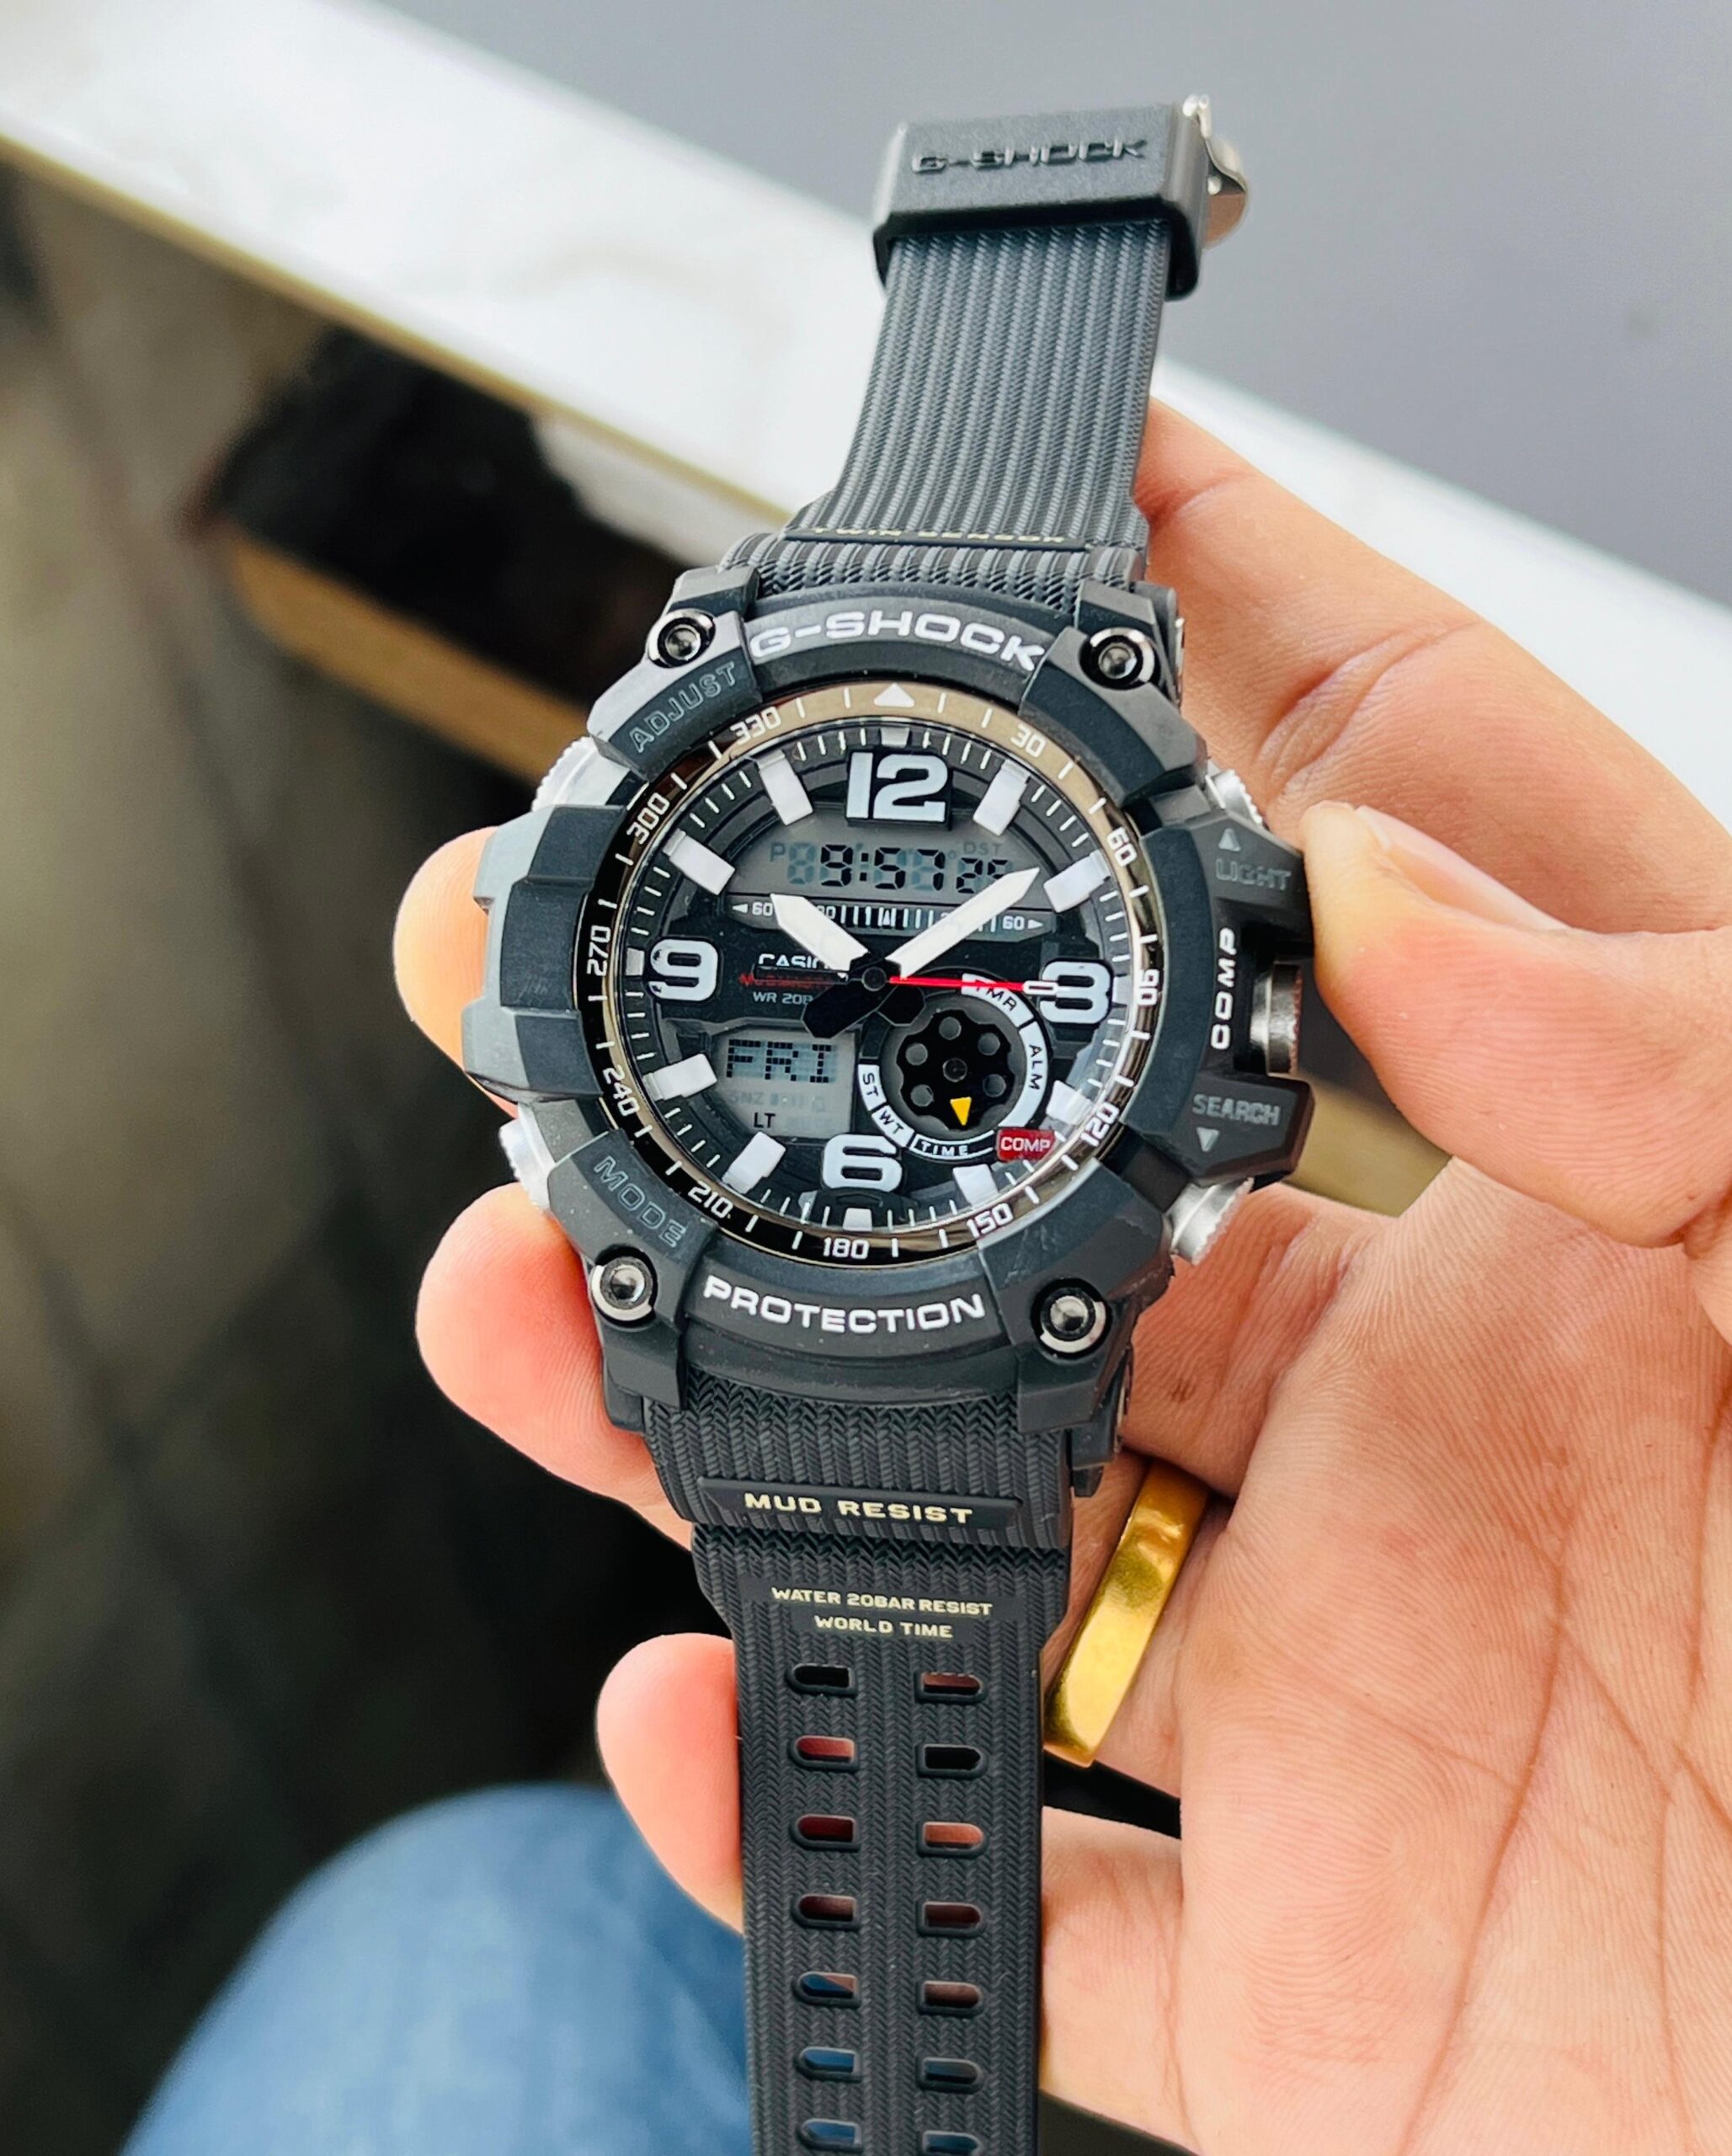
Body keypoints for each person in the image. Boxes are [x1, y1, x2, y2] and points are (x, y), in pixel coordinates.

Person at [127, 408, 1732, 2155]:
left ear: (1239, 1009)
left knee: (462, 1910)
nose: (888, 986)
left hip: (931, 1323)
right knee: (476, 1909)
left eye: (928, 976)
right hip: (783, 1323)